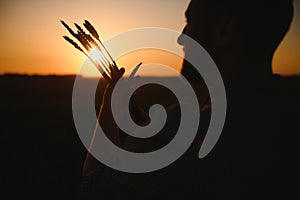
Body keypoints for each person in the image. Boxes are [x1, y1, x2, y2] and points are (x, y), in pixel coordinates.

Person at [80, 0, 299, 199]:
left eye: (190, 22)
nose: (181, 37)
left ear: (225, 31)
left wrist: (108, 105)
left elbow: (93, 190)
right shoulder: (291, 122)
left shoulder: (176, 134)